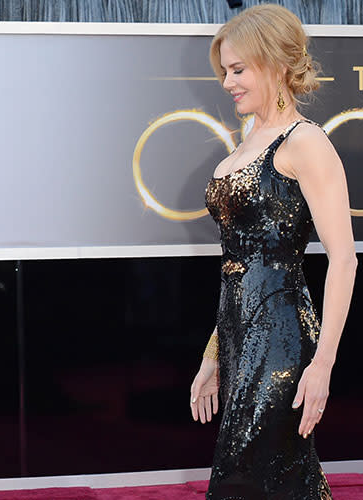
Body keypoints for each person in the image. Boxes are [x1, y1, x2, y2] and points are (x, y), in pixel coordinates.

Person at [189, 5, 357, 499]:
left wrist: (323, 365)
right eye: (225, 71)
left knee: (249, 477)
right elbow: (238, 267)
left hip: (284, 339)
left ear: (276, 65)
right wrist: (212, 356)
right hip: (241, 339)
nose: (226, 82)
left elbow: (343, 259)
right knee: (269, 478)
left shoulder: (305, 143)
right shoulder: (248, 142)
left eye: (238, 70)